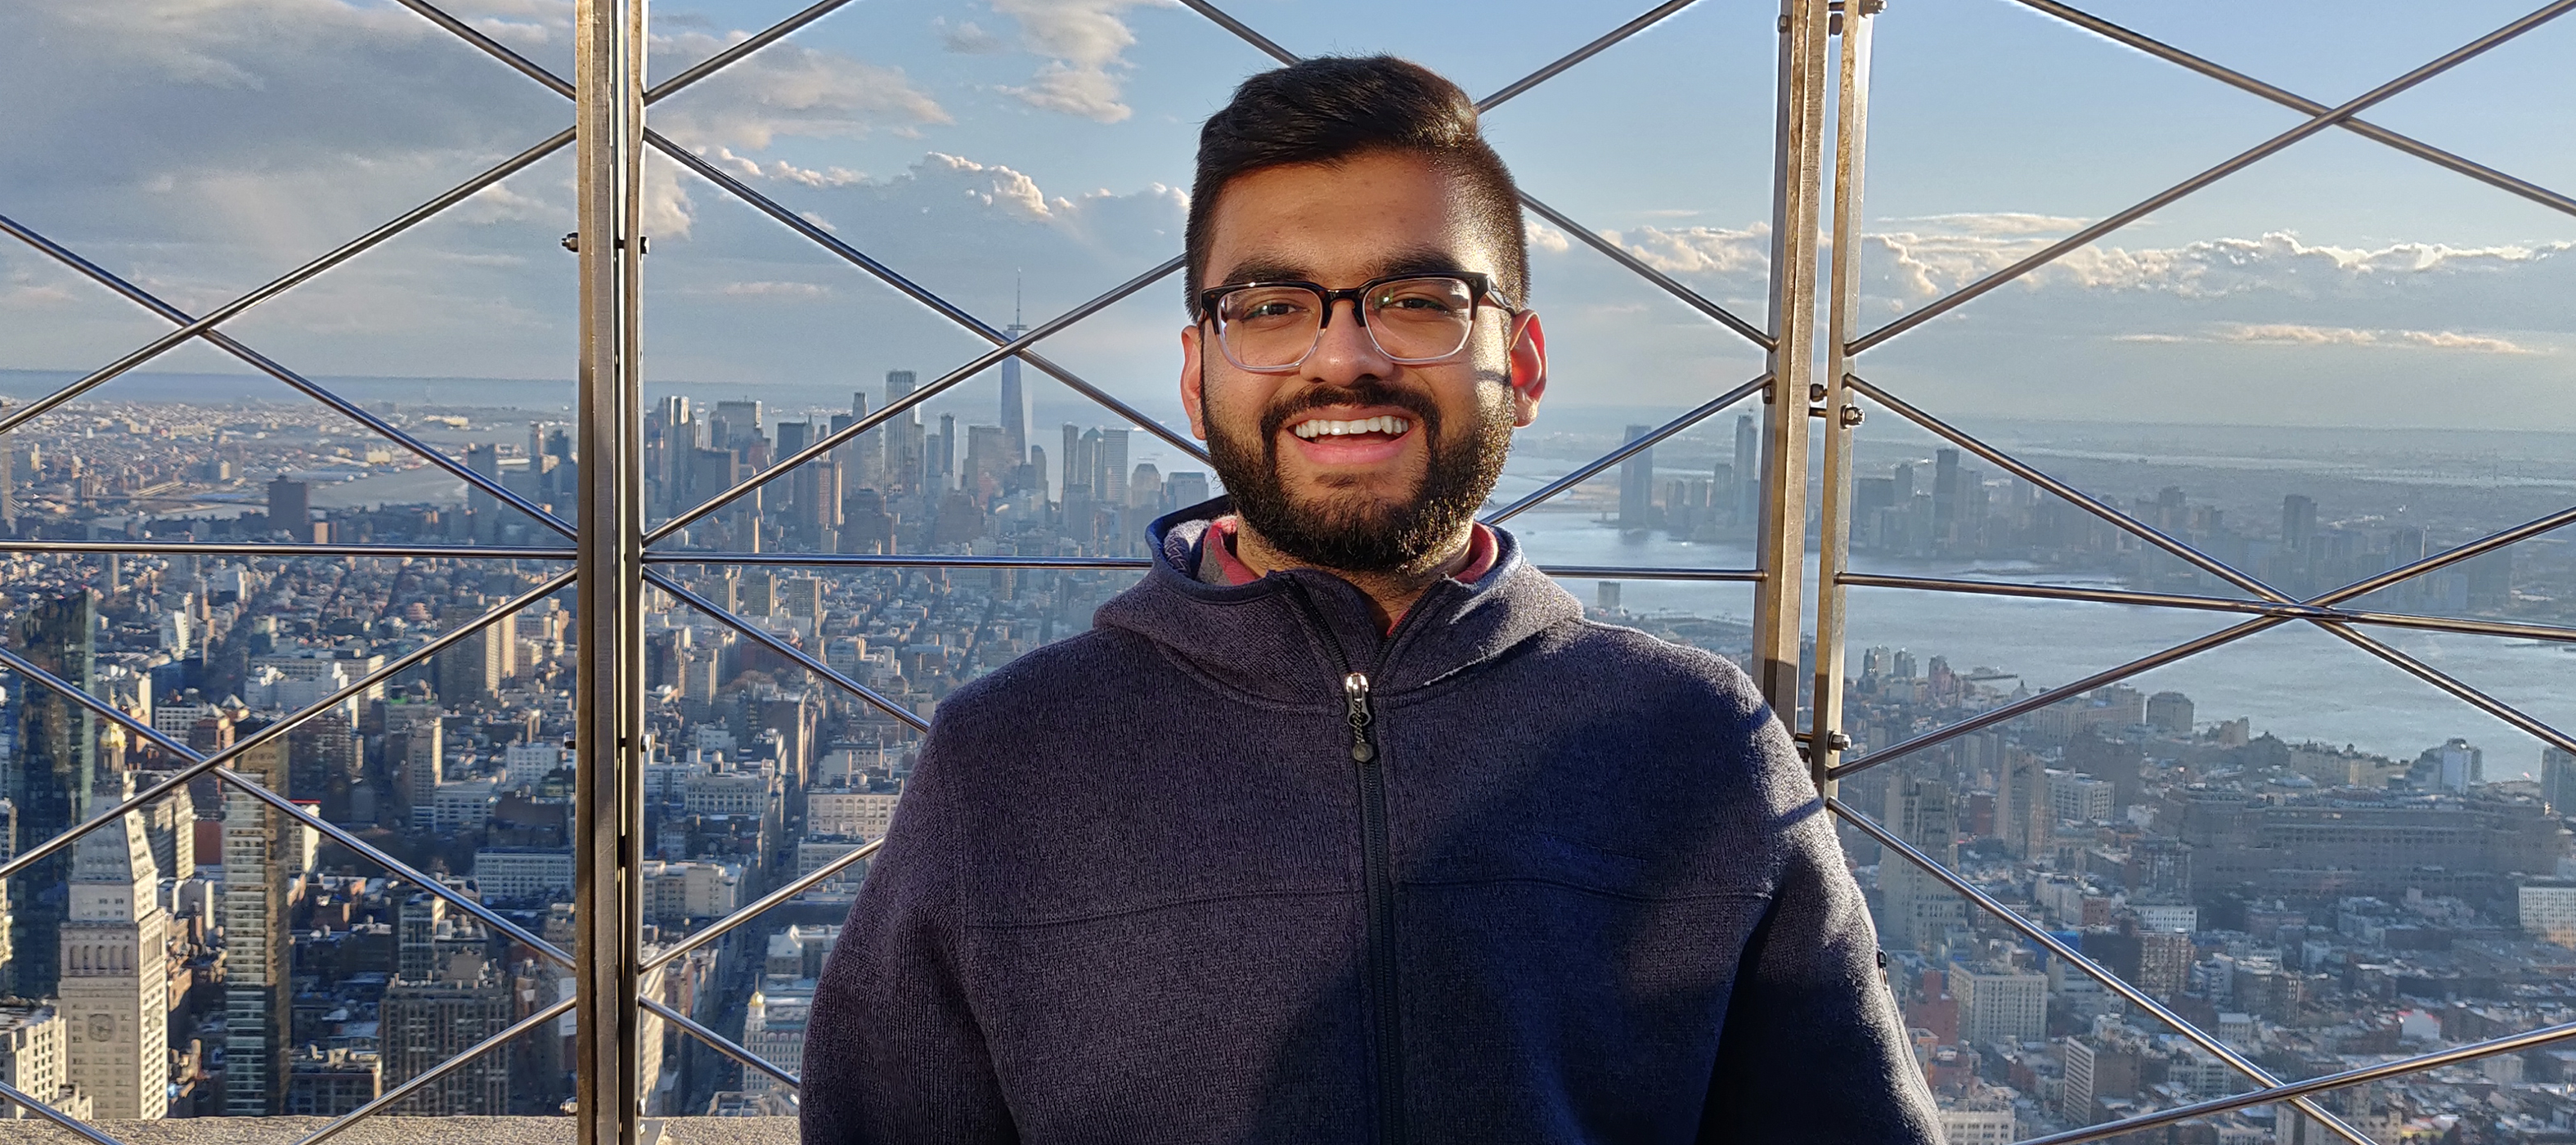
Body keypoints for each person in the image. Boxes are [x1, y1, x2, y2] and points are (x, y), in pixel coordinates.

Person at [800, 56, 1940, 1143]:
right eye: (1268, 306)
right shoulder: (1004, 763)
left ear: (1522, 364)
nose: (1342, 357)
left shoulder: (1696, 744)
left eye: (1418, 298)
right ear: (1197, 374)